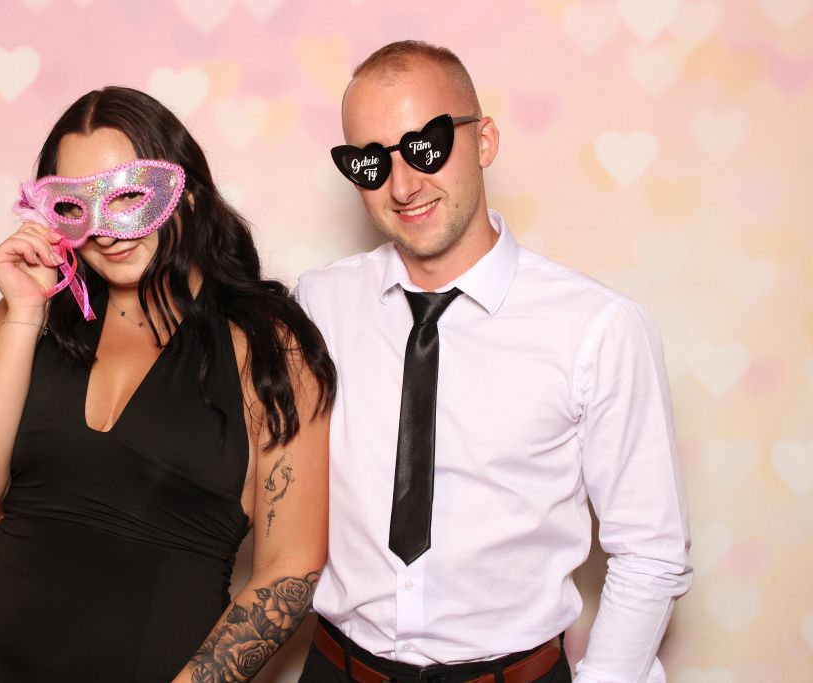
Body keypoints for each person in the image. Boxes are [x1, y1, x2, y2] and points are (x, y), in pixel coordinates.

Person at [292, 41, 692, 683]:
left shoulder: (597, 328)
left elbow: (651, 550)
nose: (403, 185)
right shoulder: (318, 303)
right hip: (338, 668)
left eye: (425, 147)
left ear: (484, 141)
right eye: (370, 161)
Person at [0, 86, 335, 682]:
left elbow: (290, 569)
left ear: (188, 194)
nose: (107, 232)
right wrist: (25, 312)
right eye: (75, 206)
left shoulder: (269, 349)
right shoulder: (33, 315)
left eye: (130, 197)